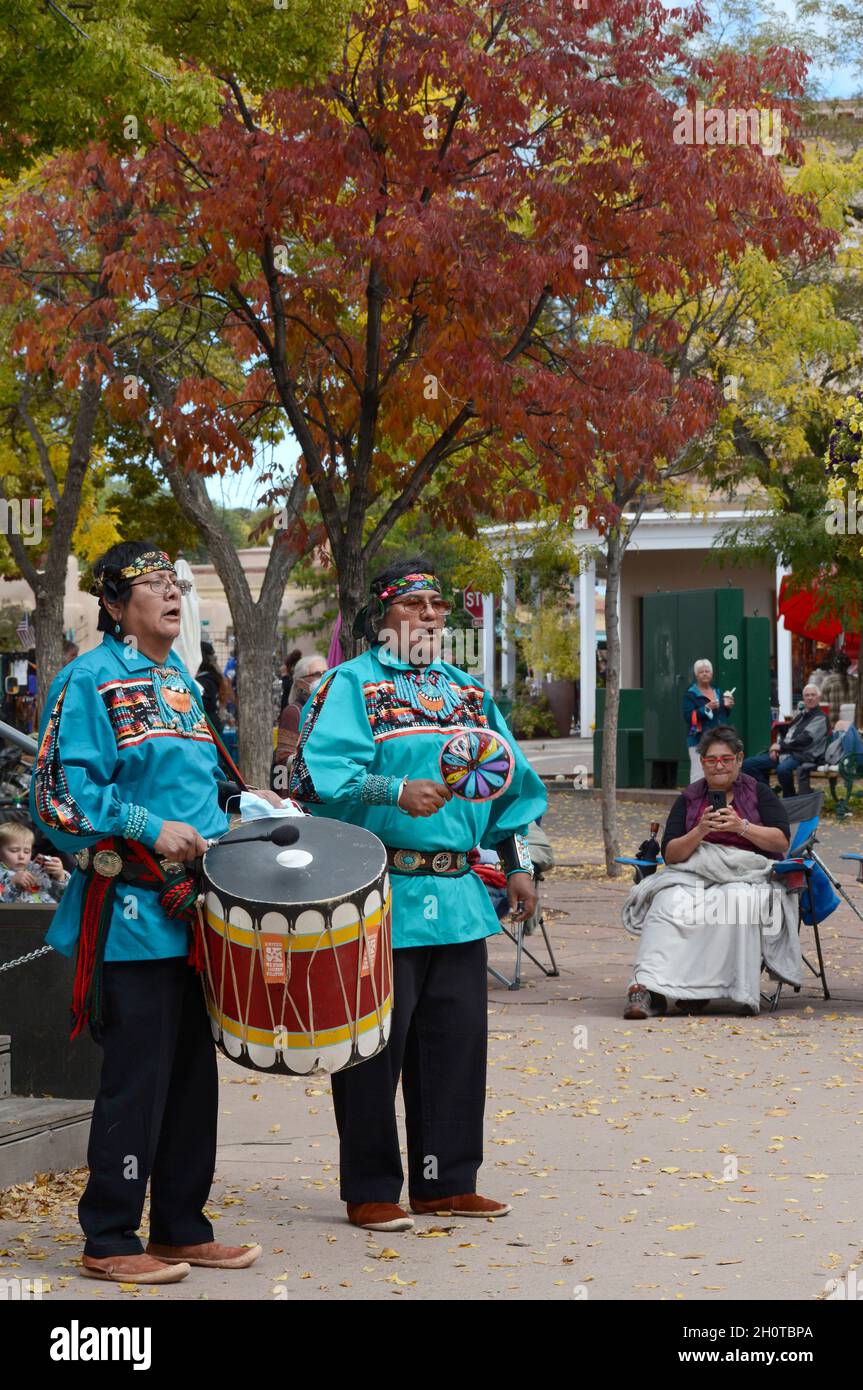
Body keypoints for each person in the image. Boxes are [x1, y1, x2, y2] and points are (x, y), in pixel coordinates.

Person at [30, 540, 274, 1286]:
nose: (172, 594)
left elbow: (202, 788)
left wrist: (247, 807)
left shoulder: (178, 681)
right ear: (112, 604)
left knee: (193, 1079)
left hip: (195, 916)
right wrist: (144, 826)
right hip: (131, 914)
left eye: (176, 583)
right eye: (152, 584)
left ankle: (179, 1227)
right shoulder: (87, 681)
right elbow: (58, 798)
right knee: (136, 1080)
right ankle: (108, 1237)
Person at [289, 559, 547, 1233]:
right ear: (383, 616)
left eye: (437, 604)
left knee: (455, 1045)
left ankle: (444, 1182)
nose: (430, 615)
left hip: (457, 893)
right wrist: (391, 790)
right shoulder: (351, 685)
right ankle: (371, 1188)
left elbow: (509, 787)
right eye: (414, 604)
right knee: (374, 1048)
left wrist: (517, 861)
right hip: (378, 890)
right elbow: (311, 777)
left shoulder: (466, 694)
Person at [623, 726, 802, 1018]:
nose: (719, 765)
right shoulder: (690, 797)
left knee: (736, 901)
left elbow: (781, 842)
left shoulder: (759, 793)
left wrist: (741, 826)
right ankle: (646, 989)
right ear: (702, 762)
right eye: (711, 760)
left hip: (746, 873)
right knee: (667, 903)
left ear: (739, 760)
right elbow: (672, 854)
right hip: (694, 872)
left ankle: (706, 991)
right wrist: (700, 830)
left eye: (726, 759)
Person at [742, 684, 829, 796]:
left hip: (804, 754)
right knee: (748, 764)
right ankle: (768, 795)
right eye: (807, 695)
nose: (810, 698)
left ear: (819, 698)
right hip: (787, 752)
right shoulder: (801, 715)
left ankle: (790, 798)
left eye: (813, 695)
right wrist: (776, 748)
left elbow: (805, 740)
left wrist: (781, 747)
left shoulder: (820, 718)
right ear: (803, 698)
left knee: (782, 770)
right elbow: (788, 735)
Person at [272, 653, 328, 788]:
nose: (323, 678)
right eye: (317, 674)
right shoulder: (293, 713)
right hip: (300, 792)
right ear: (300, 683)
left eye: (326, 673)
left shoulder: (324, 709)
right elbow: (283, 759)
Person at [682, 659, 735, 783]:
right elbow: (688, 717)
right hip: (698, 739)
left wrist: (727, 707)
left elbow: (722, 714)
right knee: (698, 773)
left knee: (718, 771)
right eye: (701, 672)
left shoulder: (717, 691)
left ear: (711, 674)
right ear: (696, 675)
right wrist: (706, 708)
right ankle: (695, 800)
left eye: (707, 671)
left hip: (719, 738)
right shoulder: (690, 694)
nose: (705, 674)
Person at [0, 820, 68, 904]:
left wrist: (60, 876)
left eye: (27, 851)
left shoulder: (41, 868)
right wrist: (12, 883)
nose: (22, 856)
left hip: (49, 913)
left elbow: (66, 899)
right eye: (14, 850)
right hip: (18, 916)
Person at [820, 651, 858, 728]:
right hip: (852, 727)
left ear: (833, 666)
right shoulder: (855, 681)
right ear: (848, 666)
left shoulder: (828, 681)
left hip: (833, 726)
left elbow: (823, 706)